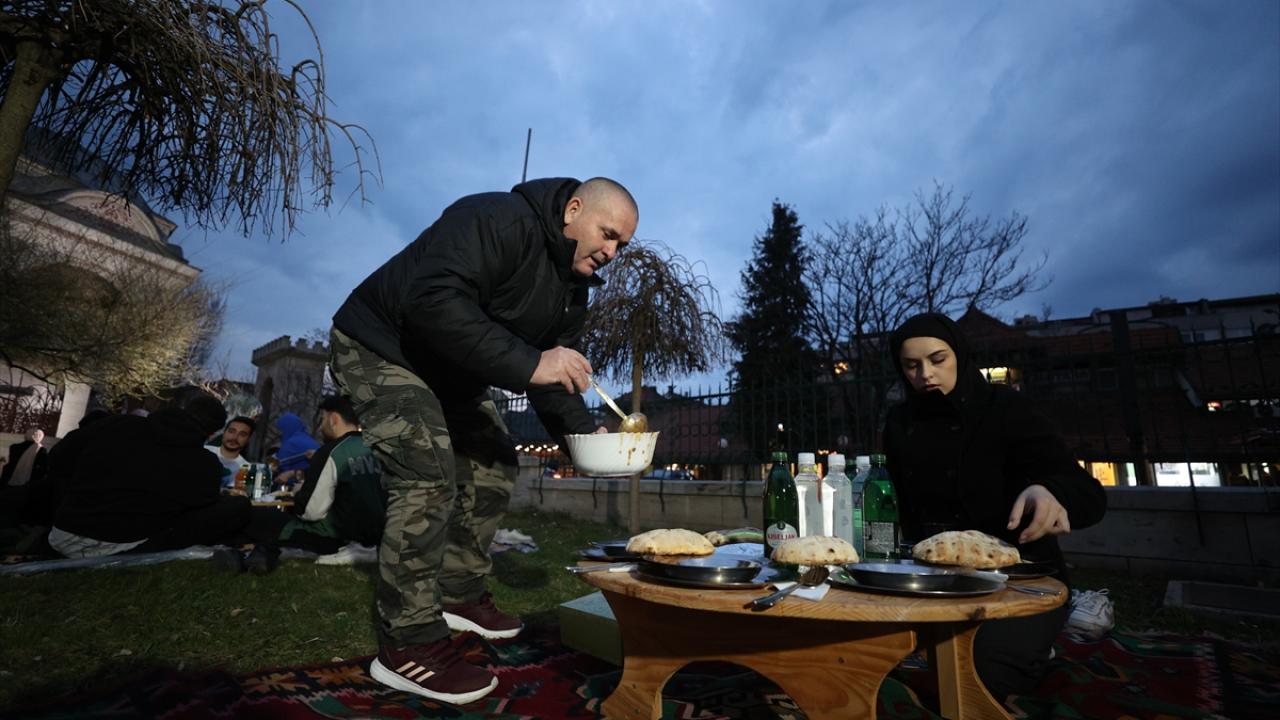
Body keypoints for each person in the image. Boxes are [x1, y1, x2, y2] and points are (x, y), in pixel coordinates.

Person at [329, 176, 637, 703]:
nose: (612, 252)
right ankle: (408, 642)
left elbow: (553, 377)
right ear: (574, 209)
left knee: (496, 462)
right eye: (608, 234)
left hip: (451, 372)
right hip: (382, 345)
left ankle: (459, 591)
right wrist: (532, 361)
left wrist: (587, 438)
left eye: (621, 246)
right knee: (427, 476)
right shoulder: (496, 219)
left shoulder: (573, 292)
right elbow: (431, 300)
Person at [882, 312, 1107, 701]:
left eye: (938, 360)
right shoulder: (899, 422)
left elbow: (1088, 494)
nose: (926, 374)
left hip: (1020, 579)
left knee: (980, 678)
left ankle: (1040, 640)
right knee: (858, 651)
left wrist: (1051, 491)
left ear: (959, 356)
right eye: (912, 365)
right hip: (931, 578)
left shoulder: (1006, 409)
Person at [48, 387, 251, 557]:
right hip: (124, 546)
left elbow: (59, 458)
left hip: (64, 534)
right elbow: (201, 506)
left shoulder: (117, 424)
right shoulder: (204, 464)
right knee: (235, 507)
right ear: (214, 432)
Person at [232, 395, 385, 574]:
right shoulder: (378, 449)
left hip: (335, 537)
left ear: (333, 419)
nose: (321, 426)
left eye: (322, 419)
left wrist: (299, 493)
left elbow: (311, 511)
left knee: (259, 517)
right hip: (377, 535)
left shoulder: (332, 451)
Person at [205, 416, 255, 488]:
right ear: (224, 432)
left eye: (242, 434)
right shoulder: (204, 450)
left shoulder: (247, 469)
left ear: (248, 439)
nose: (234, 437)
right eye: (231, 431)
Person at [272, 412, 320, 482]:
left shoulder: (290, 444)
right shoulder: (307, 439)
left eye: (281, 429)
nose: (280, 433)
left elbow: (276, 465)